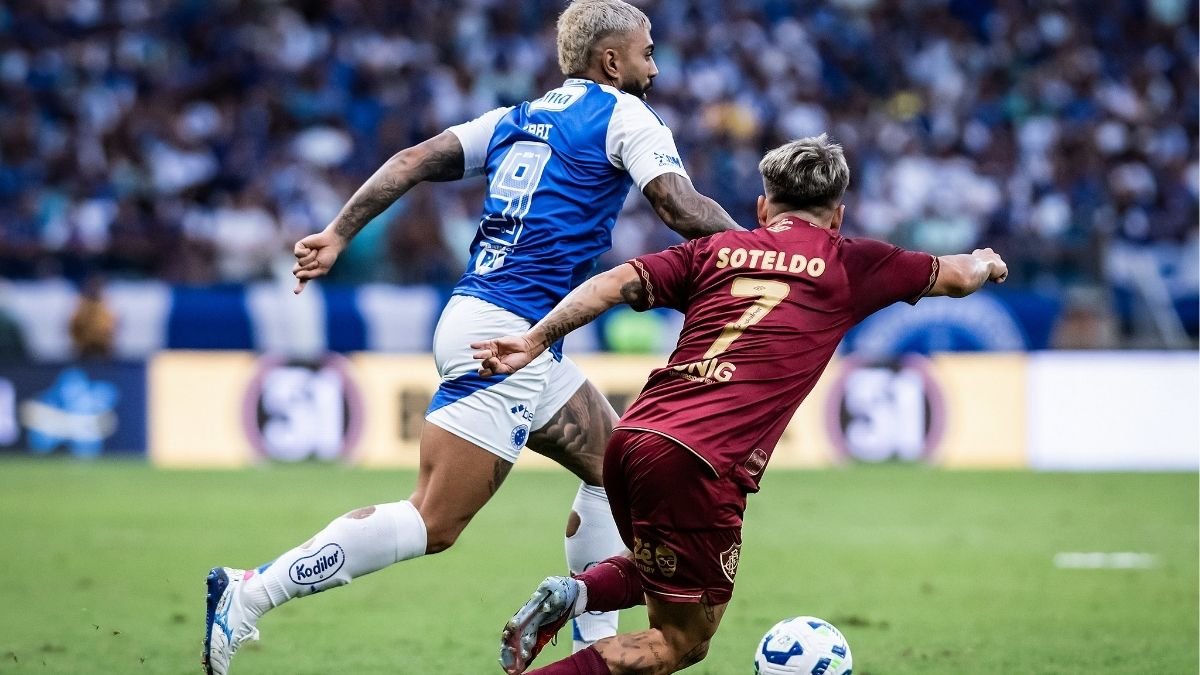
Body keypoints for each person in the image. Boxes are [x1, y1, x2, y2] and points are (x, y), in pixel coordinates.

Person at [201, 1, 741, 673]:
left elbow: (411, 159)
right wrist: (764, 252)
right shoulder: (625, 116)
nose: (654, 66)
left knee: (616, 473)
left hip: (508, 327)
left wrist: (339, 231)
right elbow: (677, 205)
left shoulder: (517, 118)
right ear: (611, 60)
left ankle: (589, 643)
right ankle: (250, 590)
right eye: (646, 51)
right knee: (434, 521)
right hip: (503, 333)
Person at [473, 134, 1008, 675]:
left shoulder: (710, 251)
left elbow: (613, 283)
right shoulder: (852, 262)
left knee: (663, 568)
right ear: (838, 216)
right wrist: (985, 262)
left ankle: (575, 594)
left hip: (633, 437)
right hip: (702, 461)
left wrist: (535, 340)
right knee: (682, 639)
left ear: (761, 206)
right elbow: (960, 275)